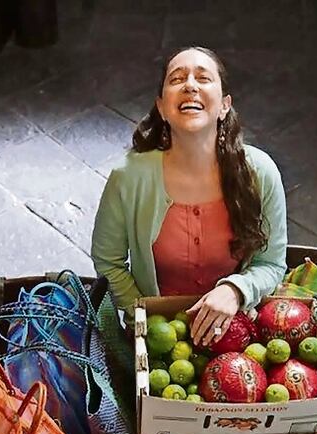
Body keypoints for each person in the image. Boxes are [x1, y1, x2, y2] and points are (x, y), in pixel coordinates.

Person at [91, 46, 287, 348]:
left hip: (237, 328)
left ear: (224, 106)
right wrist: (145, 316)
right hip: (157, 338)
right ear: (162, 107)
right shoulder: (128, 177)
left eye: (203, 78)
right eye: (177, 78)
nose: (190, 85)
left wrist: (236, 290)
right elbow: (108, 262)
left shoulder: (260, 173)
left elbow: (271, 264)